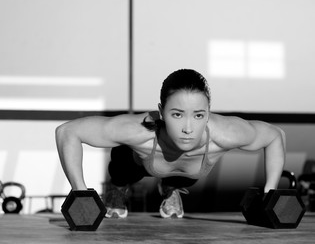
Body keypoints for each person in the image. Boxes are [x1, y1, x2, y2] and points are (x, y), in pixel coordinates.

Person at [55, 69, 286, 219]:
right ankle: (117, 188)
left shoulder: (226, 134)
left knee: (181, 171)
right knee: (122, 161)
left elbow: (275, 135)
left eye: (198, 115)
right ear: (161, 112)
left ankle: (171, 188)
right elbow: (67, 132)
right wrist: (80, 191)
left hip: (186, 171)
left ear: (208, 112)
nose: (188, 128)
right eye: (177, 115)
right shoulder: (139, 130)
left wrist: (270, 192)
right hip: (138, 163)